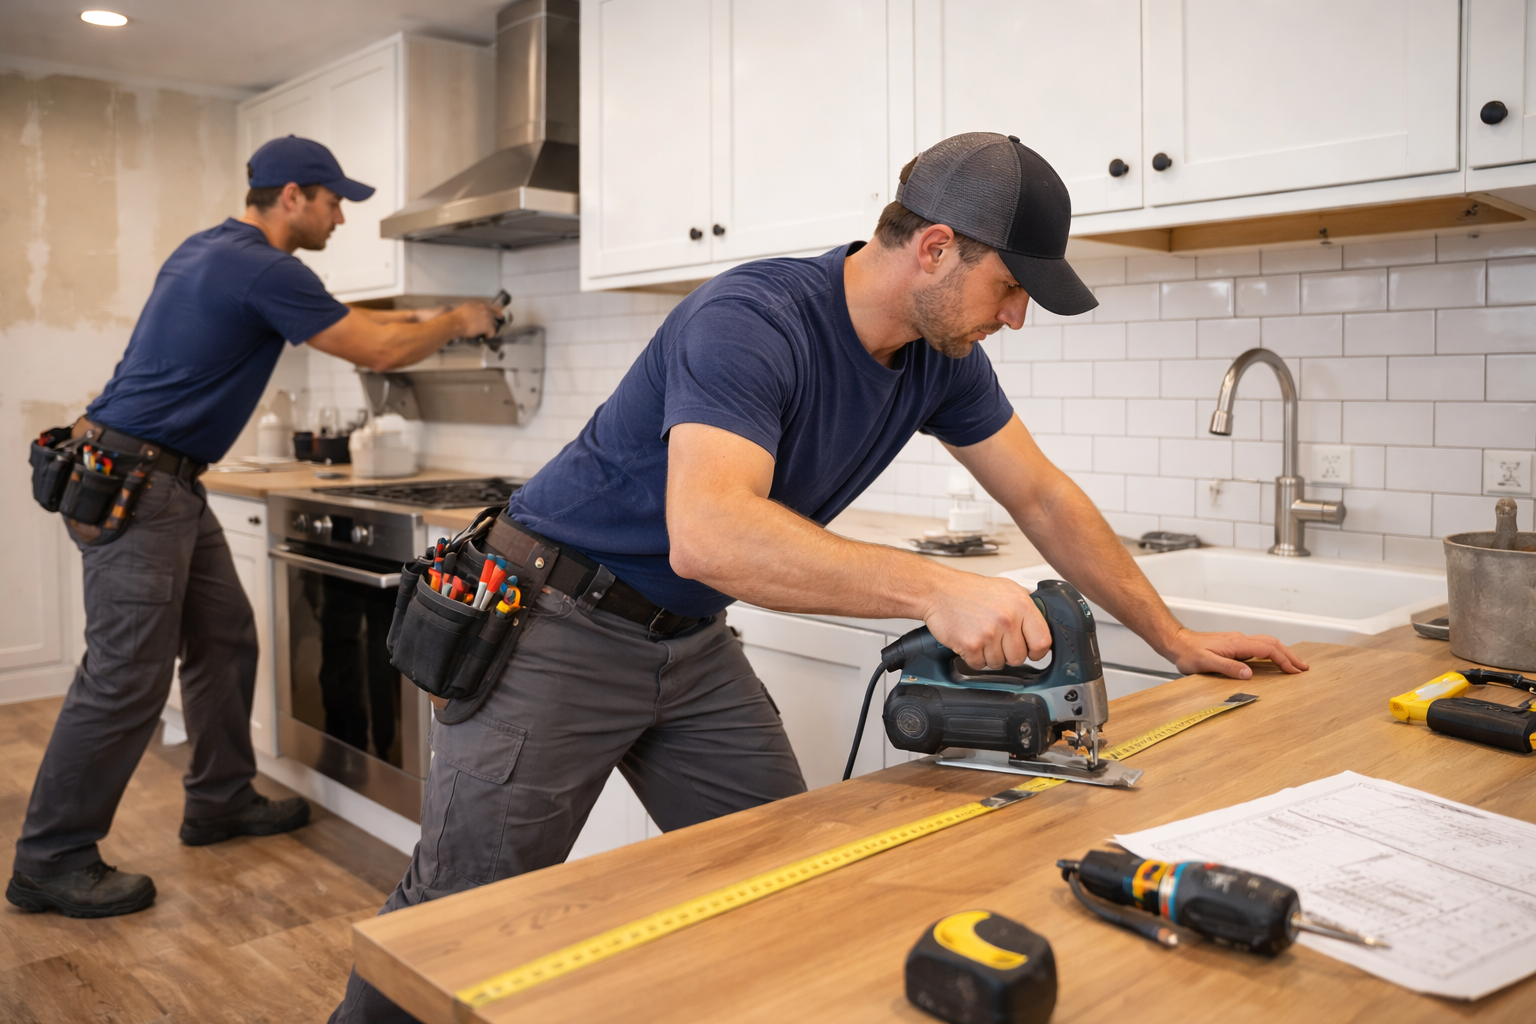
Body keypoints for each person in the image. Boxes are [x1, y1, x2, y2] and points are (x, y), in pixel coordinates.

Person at [329, 133, 1307, 1022]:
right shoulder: (750, 317)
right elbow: (708, 533)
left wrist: (1171, 637)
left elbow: (1042, 498)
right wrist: (933, 589)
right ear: (934, 250)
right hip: (552, 622)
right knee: (456, 926)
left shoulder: (940, 357)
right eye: (1011, 287)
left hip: (689, 643)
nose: (1016, 316)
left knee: (797, 874)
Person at [8, 135, 501, 920]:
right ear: (295, 195)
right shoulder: (267, 268)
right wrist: (461, 316)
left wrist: (445, 317)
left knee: (225, 639)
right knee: (124, 677)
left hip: (152, 478)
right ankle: (50, 859)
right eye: (336, 200)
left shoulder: (216, 252)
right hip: (141, 484)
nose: (342, 218)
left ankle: (221, 798)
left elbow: (363, 323)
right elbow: (372, 345)